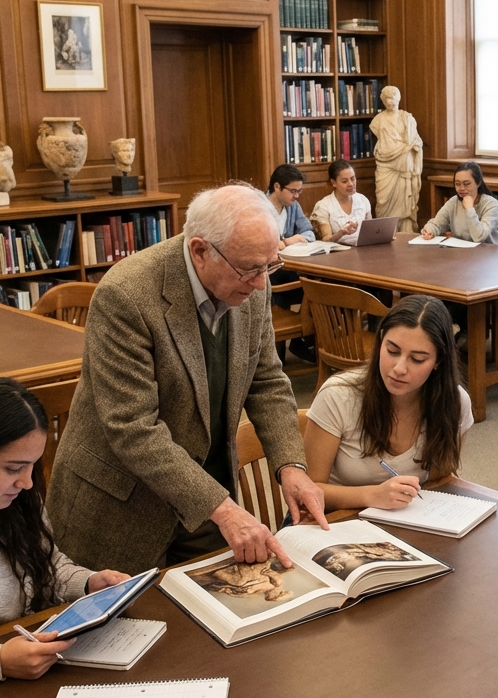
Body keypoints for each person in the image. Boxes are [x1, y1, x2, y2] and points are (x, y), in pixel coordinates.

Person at [46, 183, 329, 575]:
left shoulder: (252, 280)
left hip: (205, 495)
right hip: (122, 504)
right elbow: (134, 428)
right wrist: (227, 510)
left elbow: (266, 381)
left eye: (270, 265)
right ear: (200, 250)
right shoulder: (126, 295)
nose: (262, 282)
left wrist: (291, 467)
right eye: (250, 269)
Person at [0, 380, 129, 680]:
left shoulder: (18, 501)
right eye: (12, 468)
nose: (27, 483)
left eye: (32, 466)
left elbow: (47, 564)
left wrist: (88, 584)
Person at [303, 295, 473, 511]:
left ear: (439, 361)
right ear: (381, 340)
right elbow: (308, 491)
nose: (399, 368)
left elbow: (438, 483)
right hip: (335, 520)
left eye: (417, 359)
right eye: (392, 351)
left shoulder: (455, 403)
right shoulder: (338, 395)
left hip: (402, 520)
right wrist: (372, 495)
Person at [266, 164, 317, 361]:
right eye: (293, 191)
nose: (297, 196)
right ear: (277, 187)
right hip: (268, 274)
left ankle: (304, 341)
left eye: (299, 191)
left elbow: (309, 232)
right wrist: (287, 241)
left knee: (316, 286)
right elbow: (262, 243)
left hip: (289, 267)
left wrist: (284, 243)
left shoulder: (293, 206)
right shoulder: (259, 206)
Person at [370, 84, 422, 232]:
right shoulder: (377, 121)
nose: (390, 101)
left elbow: (416, 140)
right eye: (386, 98)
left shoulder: (407, 119)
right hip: (385, 165)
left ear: (398, 98)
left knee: (405, 197)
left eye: (392, 97)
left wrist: (415, 146)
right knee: (382, 199)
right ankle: (385, 231)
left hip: (404, 165)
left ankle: (405, 230)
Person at [420, 161, 498, 245]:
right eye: (457, 184)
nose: (461, 188)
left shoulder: (492, 204)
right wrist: (430, 230)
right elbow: (437, 224)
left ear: (478, 183)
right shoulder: (453, 202)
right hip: (462, 253)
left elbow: (479, 237)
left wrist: (469, 209)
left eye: (466, 184)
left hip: (489, 254)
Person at [309, 158, 372, 246]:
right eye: (345, 181)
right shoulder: (323, 205)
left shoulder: (362, 200)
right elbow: (325, 240)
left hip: (363, 248)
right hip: (338, 252)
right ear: (334, 183)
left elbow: (370, 232)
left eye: (353, 179)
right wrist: (341, 233)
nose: (351, 184)